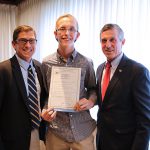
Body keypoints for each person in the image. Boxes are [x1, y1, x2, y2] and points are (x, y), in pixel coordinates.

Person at [41, 14, 97, 150]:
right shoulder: (46, 63)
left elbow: (93, 89)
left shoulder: (86, 62)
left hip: (83, 129)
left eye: (72, 29)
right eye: (62, 29)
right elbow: (43, 93)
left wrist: (90, 101)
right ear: (55, 34)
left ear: (77, 35)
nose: (67, 33)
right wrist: (43, 110)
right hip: (56, 130)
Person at [96, 23, 150, 150]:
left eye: (112, 40)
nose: (108, 45)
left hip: (126, 145)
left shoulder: (138, 71)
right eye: (104, 41)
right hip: (102, 142)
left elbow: (145, 121)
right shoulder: (99, 69)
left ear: (123, 41)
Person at [0, 25, 47, 150]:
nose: (28, 45)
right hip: (12, 140)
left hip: (38, 135)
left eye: (31, 41)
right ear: (14, 44)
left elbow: (42, 99)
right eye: (23, 41)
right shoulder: (3, 70)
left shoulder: (39, 67)